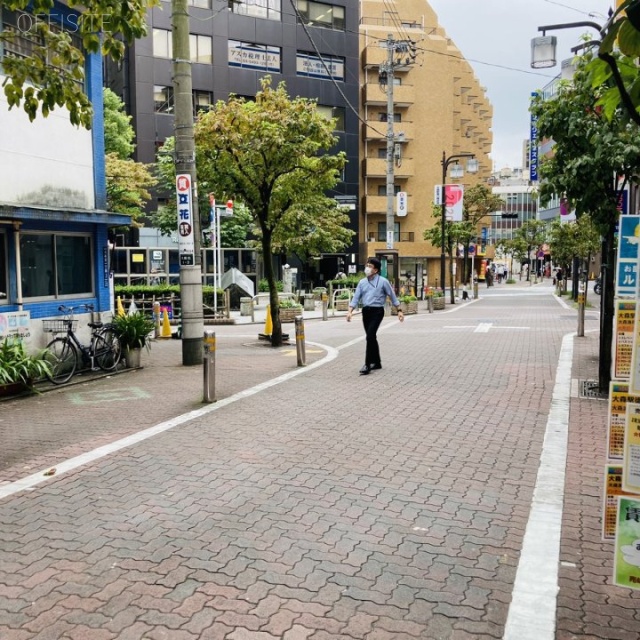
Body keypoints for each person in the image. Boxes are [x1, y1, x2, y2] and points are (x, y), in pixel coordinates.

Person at [347, 257, 404, 375]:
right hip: (366, 312)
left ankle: (367, 364)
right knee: (371, 336)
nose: (367, 268)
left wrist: (399, 310)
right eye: (367, 265)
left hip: (377, 311)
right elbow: (356, 298)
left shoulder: (383, 281)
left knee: (370, 336)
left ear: (376, 270)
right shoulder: (362, 282)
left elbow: (392, 295)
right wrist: (350, 311)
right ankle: (377, 362)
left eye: (370, 266)